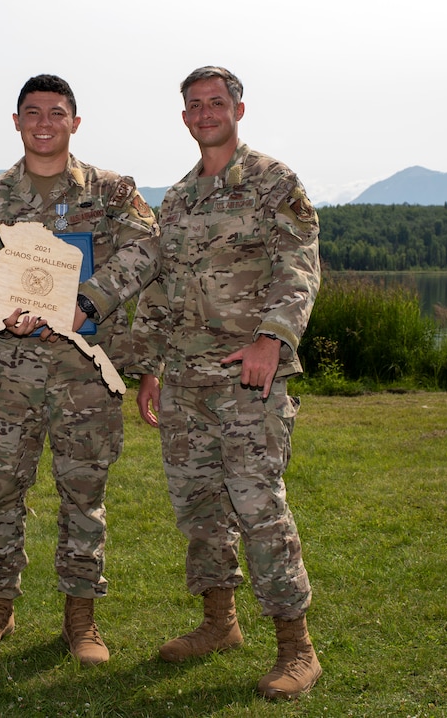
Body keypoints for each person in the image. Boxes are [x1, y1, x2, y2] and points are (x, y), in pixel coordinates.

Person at [0, 74, 160, 666]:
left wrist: (88, 301)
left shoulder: (115, 193)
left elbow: (147, 249)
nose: (44, 122)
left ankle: (82, 619)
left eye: (56, 112)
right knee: (0, 494)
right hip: (11, 378)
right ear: (16, 122)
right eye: (32, 112)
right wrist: (0, 308)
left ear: (75, 120)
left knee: (83, 498)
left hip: (85, 378)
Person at [129, 66, 322, 699]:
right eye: (195, 105)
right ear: (184, 117)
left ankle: (296, 647)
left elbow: (299, 265)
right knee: (199, 510)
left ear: (239, 109)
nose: (205, 112)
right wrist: (151, 367)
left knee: (258, 505)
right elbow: (159, 288)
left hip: (247, 377)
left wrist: (273, 337)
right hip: (184, 381)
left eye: (217, 102)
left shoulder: (273, 182)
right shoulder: (178, 199)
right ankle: (219, 622)